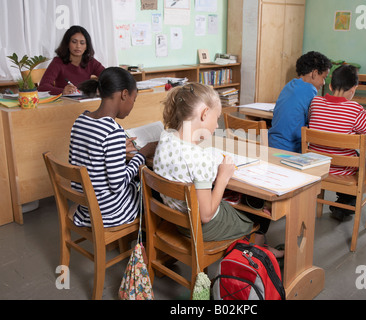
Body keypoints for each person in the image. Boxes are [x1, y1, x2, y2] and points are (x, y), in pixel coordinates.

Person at [153, 83, 283, 258]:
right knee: (259, 211)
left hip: (178, 220)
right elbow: (206, 215)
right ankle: (258, 251)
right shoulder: (200, 158)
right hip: (201, 227)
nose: (216, 125)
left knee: (237, 199)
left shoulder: (166, 138)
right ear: (204, 113)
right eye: (217, 118)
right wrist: (222, 177)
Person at [68, 67, 156, 227]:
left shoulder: (80, 121)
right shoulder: (113, 131)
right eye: (133, 99)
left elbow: (85, 160)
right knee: (154, 192)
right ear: (124, 94)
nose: (132, 105)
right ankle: (146, 241)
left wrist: (118, 150)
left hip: (85, 207)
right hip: (109, 212)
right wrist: (143, 153)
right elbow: (118, 185)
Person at [308, 64, 366, 221]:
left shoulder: (316, 102)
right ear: (353, 89)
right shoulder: (354, 109)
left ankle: (343, 203)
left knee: (356, 158)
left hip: (317, 164)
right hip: (341, 170)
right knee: (365, 165)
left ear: (331, 86)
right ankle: (345, 203)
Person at [268, 51, 332, 153]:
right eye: (324, 78)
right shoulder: (310, 91)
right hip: (290, 151)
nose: (323, 83)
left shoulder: (289, 85)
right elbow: (316, 121)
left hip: (272, 144)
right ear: (314, 73)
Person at [38, 25, 105, 95]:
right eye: (74, 42)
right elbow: (43, 87)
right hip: (65, 103)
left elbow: (109, 77)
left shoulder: (91, 61)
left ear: (86, 46)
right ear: (67, 44)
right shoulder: (58, 62)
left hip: (85, 102)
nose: (78, 46)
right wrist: (62, 91)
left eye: (82, 43)